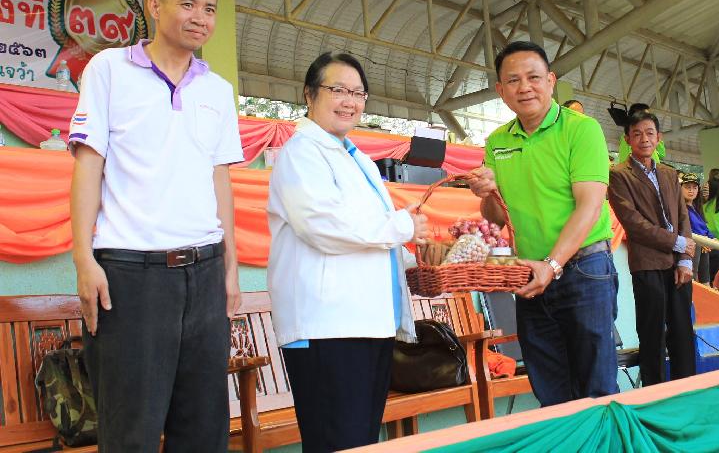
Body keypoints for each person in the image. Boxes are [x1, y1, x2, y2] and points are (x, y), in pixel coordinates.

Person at [69, 0, 244, 451]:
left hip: (205, 272)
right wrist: (83, 259)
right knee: (132, 432)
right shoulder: (109, 68)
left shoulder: (217, 90)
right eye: (187, 4)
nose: (200, 18)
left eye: (209, 9)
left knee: (204, 430)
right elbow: (88, 164)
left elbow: (220, 179)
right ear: (155, 6)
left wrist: (230, 267)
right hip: (131, 274)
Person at [266, 52, 428, 451]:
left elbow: (371, 236)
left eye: (358, 93)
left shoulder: (358, 160)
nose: (349, 101)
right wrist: (402, 227)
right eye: (338, 89)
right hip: (328, 327)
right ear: (309, 94)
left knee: (360, 442)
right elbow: (322, 225)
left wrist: (416, 258)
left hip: (368, 323)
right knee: (336, 442)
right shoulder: (302, 152)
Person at [465, 40, 618, 406]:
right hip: (530, 276)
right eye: (513, 80)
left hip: (584, 269)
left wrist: (552, 265)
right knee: (549, 388)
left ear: (550, 81)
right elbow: (495, 217)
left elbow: (589, 207)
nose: (524, 87)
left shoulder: (582, 130)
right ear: (501, 90)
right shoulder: (497, 142)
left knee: (596, 386)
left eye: (533, 77)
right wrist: (487, 192)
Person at [609, 111, 696, 386]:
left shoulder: (669, 174)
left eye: (649, 133)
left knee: (683, 331)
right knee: (652, 332)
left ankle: (688, 390)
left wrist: (685, 259)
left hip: (677, 265)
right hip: (647, 264)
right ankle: (654, 392)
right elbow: (634, 223)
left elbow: (682, 217)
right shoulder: (619, 175)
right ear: (627, 139)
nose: (644, 139)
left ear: (659, 138)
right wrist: (676, 242)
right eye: (637, 134)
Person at [681, 172, 719, 285]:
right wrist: (704, 241)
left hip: (704, 242)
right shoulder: (680, 208)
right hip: (693, 242)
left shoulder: (697, 207)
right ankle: (697, 283)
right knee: (700, 247)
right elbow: (686, 229)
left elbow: (705, 228)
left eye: (694, 188)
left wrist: (712, 239)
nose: (691, 191)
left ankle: (707, 285)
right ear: (680, 189)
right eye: (687, 187)